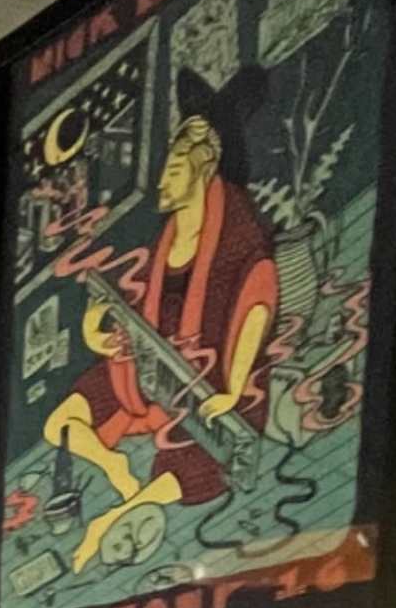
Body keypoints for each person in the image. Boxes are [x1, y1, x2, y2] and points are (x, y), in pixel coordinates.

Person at [39, 68, 280, 571]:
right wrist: (97, 335)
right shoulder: (167, 239)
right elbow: (128, 315)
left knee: (194, 470)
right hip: (149, 365)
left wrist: (232, 390)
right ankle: (116, 468)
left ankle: (124, 508)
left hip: (207, 378)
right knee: (61, 422)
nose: (163, 178)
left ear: (204, 165)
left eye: (173, 166)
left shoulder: (237, 237)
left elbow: (257, 303)